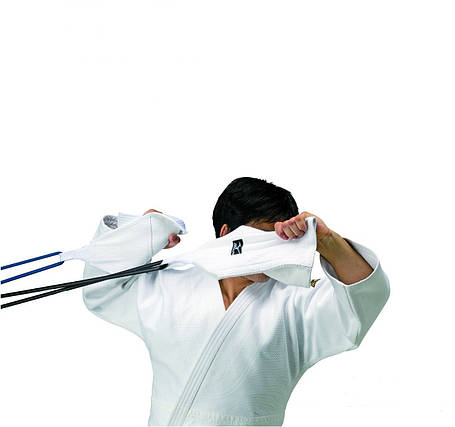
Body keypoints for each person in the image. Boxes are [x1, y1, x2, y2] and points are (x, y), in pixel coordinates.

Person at [83, 177, 390, 426]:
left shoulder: (296, 305)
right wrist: (137, 236)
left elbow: (363, 298)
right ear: (226, 234)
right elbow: (102, 290)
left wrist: (326, 240)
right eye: (261, 239)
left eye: (280, 241)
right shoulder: (169, 285)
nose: (272, 254)